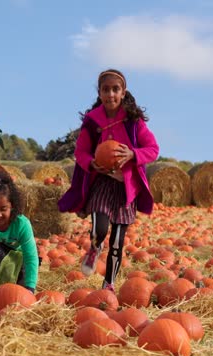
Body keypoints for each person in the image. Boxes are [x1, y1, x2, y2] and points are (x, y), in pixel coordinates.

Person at [58, 68, 159, 291]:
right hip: (102, 182)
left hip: (126, 187)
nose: (111, 94)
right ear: (100, 93)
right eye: (106, 90)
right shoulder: (93, 122)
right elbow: (81, 151)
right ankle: (95, 247)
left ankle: (109, 284)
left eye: (115, 89)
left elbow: (153, 149)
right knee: (101, 228)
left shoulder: (134, 121)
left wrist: (133, 154)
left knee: (117, 241)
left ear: (123, 93)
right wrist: (90, 162)